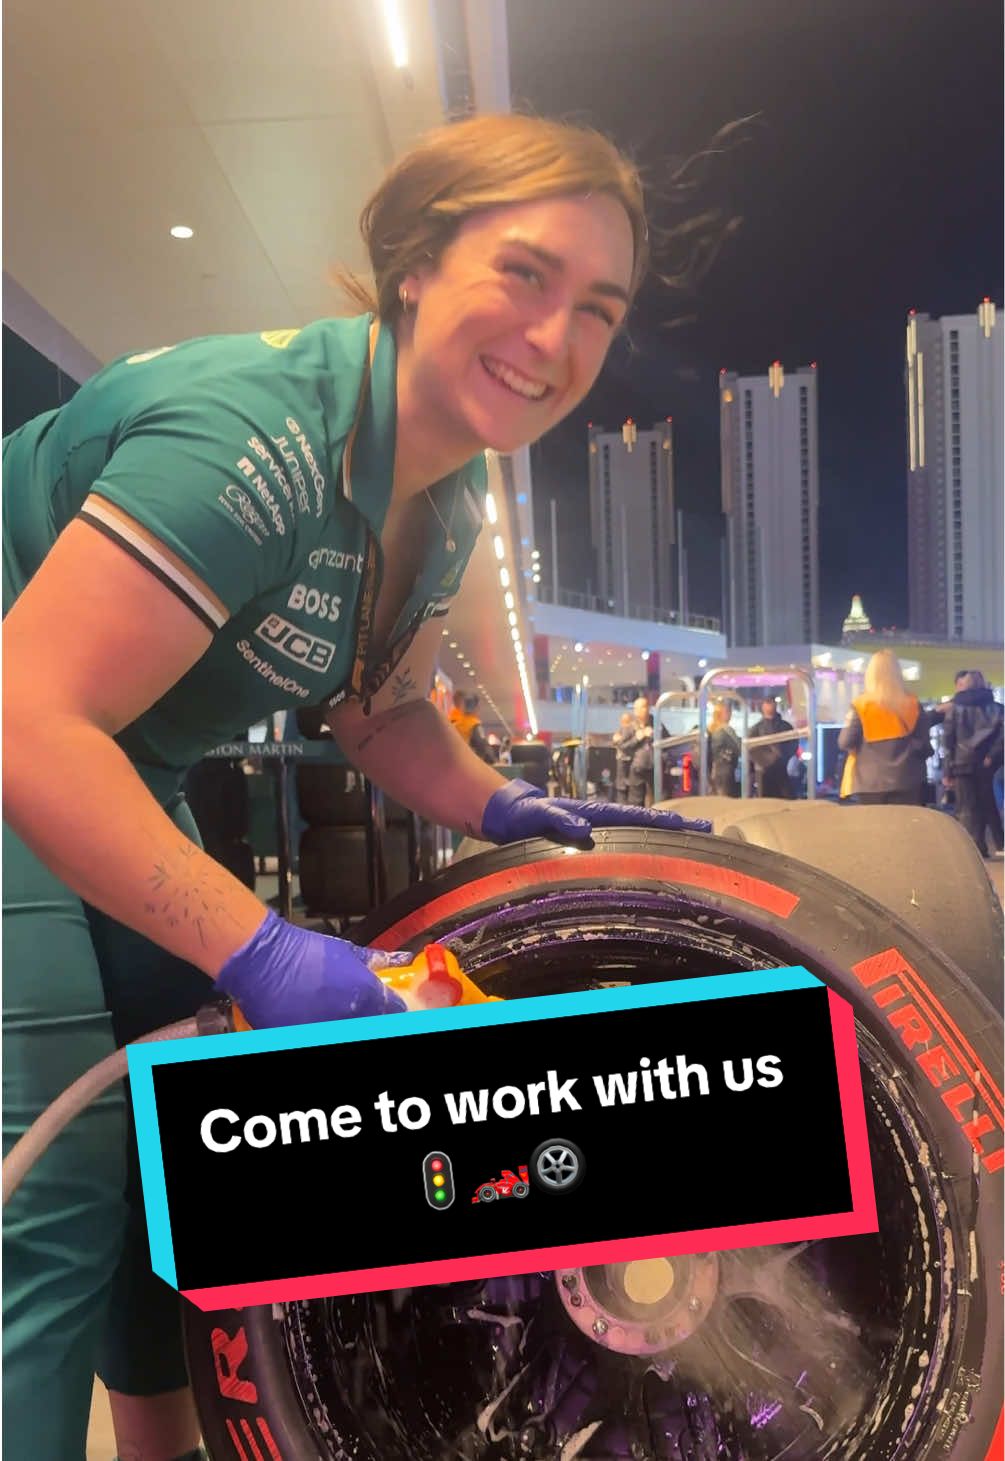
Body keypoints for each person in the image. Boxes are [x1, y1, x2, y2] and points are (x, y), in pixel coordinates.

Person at [1, 112, 713, 1461]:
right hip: (18, 716)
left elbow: (379, 716)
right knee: (59, 1192)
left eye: (598, 308)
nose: (555, 338)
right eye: (522, 273)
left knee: (173, 1163)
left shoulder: (438, 500)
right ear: (413, 266)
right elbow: (27, 717)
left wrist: (504, 807)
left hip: (111, 749)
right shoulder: (251, 445)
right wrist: (255, 944)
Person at [837, 650, 935, 806]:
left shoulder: (861, 705)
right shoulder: (913, 704)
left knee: (876, 829)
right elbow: (924, 745)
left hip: (870, 783)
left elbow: (845, 742)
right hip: (907, 780)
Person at [942, 670, 1004, 857]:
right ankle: (994, 843)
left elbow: (948, 741)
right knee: (987, 803)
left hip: (961, 763)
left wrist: (947, 770)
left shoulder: (955, 708)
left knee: (966, 806)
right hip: (986, 764)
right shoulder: (996, 708)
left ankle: (973, 848)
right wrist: (991, 756)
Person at [748, 697, 798, 799]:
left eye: (772, 702)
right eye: (767, 703)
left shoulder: (786, 726)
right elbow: (752, 750)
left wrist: (780, 757)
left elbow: (792, 744)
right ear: (762, 706)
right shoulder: (755, 729)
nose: (770, 705)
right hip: (763, 773)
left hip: (782, 770)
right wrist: (769, 759)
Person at [619, 695, 656, 807]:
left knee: (657, 800)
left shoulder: (656, 724)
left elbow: (666, 741)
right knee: (636, 801)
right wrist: (637, 738)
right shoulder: (630, 727)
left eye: (646, 706)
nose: (645, 709)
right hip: (637, 769)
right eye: (642, 707)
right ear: (636, 710)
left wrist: (654, 735)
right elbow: (623, 746)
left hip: (655, 769)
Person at [707, 699, 740, 797]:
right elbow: (717, 751)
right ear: (719, 713)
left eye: (730, 711)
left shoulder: (723, 729)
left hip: (726, 770)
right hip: (722, 771)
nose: (730, 714)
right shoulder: (720, 731)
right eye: (727, 712)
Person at [612, 710, 635, 802]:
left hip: (626, 760)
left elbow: (618, 742)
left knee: (623, 786)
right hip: (623, 760)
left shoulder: (624, 730)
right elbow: (619, 743)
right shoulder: (625, 730)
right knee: (622, 786)